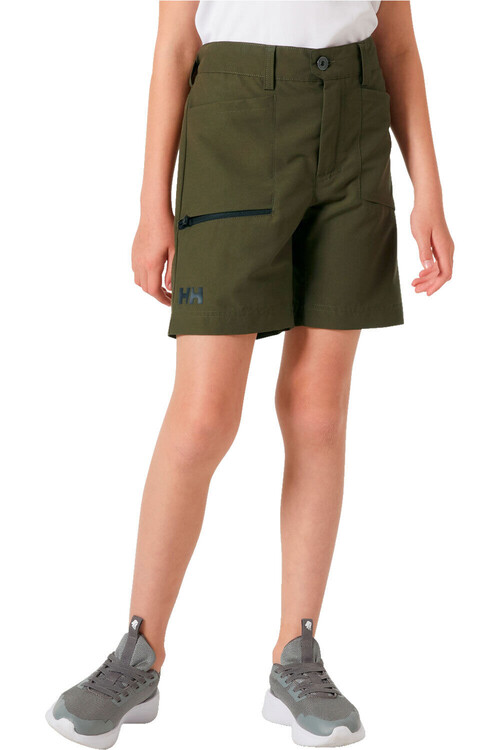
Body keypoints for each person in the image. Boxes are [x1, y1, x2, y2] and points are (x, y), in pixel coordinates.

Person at [46, 2, 454, 747]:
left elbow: (397, 47)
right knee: (203, 417)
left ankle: (297, 653)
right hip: (232, 126)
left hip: (354, 128)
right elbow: (176, 46)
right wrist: (152, 205)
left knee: (318, 412)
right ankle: (138, 651)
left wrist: (428, 187)